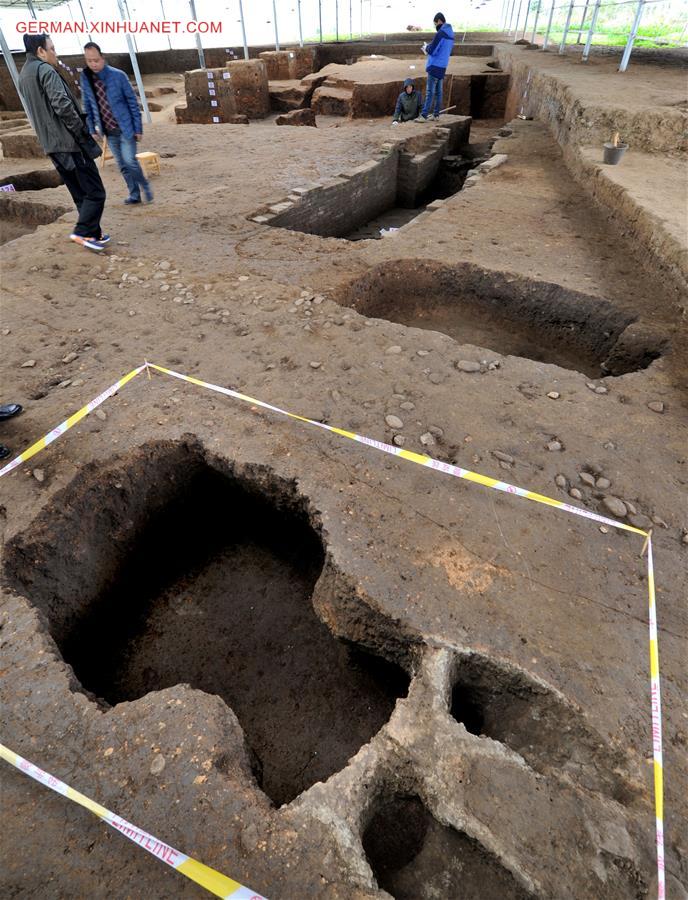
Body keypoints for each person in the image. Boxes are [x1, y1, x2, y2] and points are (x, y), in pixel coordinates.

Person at [18, 34, 108, 253]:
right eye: (52, 48)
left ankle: (93, 234)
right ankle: (82, 232)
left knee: (80, 192)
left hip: (52, 146)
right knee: (96, 192)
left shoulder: (23, 76)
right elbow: (62, 105)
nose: (55, 53)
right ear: (40, 51)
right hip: (69, 143)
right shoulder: (45, 70)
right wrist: (81, 131)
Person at [80, 42, 153, 206]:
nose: (93, 64)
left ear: (102, 58)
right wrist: (92, 128)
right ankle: (134, 194)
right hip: (108, 131)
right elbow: (88, 105)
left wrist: (138, 128)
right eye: (89, 61)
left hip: (126, 128)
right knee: (122, 165)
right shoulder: (86, 78)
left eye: (96, 60)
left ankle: (145, 185)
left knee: (130, 161)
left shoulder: (118, 76)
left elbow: (132, 103)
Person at [417, 12, 455, 122]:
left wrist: (426, 48)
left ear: (439, 21)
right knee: (439, 92)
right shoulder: (451, 34)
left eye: (435, 23)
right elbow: (443, 49)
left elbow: (433, 50)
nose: (435, 26)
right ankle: (436, 114)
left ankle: (424, 115)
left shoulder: (441, 33)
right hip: (443, 66)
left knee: (430, 92)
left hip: (434, 66)